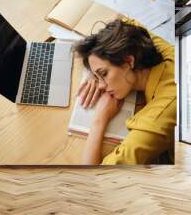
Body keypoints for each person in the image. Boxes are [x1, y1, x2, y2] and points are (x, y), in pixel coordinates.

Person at [74, 17, 176, 165]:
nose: (101, 85)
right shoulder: (155, 48)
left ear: (129, 61)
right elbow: (126, 20)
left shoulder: (156, 119)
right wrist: (94, 66)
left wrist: (99, 120)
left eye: (104, 74)